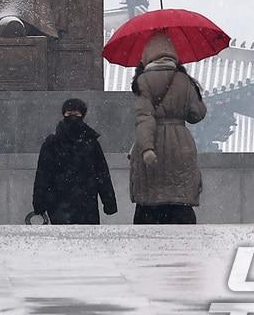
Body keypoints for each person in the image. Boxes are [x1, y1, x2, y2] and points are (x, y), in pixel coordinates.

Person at [129, 33, 207, 225]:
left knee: (151, 194)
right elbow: (196, 114)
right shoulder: (184, 80)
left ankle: (149, 237)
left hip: (152, 141)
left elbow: (144, 118)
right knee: (179, 191)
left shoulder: (143, 81)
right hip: (181, 143)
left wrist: (147, 148)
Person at [31, 98, 118, 224]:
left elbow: (42, 175)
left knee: (64, 240)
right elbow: (102, 175)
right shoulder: (90, 142)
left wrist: (39, 203)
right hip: (85, 203)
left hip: (60, 203)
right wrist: (109, 202)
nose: (73, 118)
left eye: (75, 114)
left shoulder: (53, 143)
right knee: (86, 240)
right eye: (70, 114)